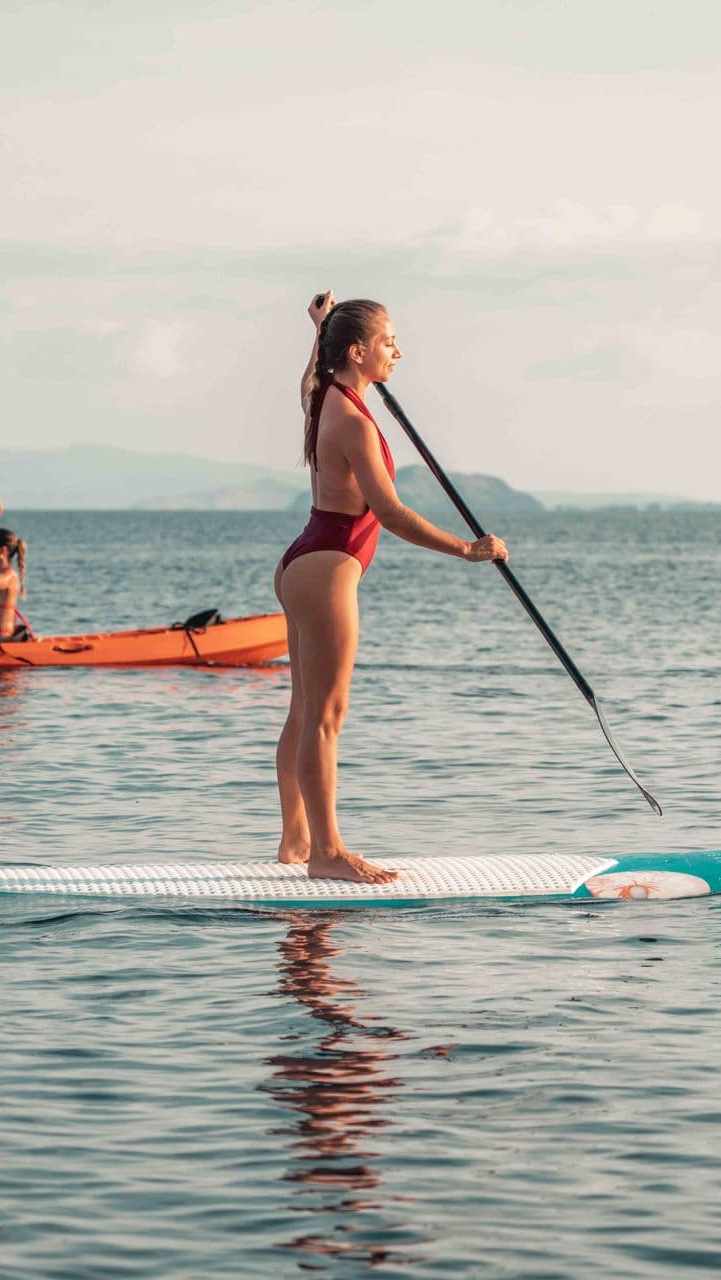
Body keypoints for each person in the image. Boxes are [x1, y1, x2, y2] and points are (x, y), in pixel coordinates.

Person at [274, 293, 508, 883]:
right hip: (327, 569)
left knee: (305, 713)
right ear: (358, 351)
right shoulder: (352, 419)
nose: (398, 351)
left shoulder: (327, 395)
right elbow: (393, 513)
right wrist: (466, 549)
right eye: (389, 342)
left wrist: (320, 331)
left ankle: (296, 841)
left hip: (304, 562)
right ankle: (327, 853)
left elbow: (311, 375)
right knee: (325, 717)